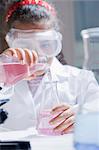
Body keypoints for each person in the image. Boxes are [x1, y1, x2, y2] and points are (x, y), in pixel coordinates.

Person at [0, 0, 99, 135]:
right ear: (10, 41)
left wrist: (85, 117)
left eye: (45, 44)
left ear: (56, 41)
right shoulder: (2, 78)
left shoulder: (81, 80)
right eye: (26, 46)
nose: (37, 54)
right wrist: (3, 74)